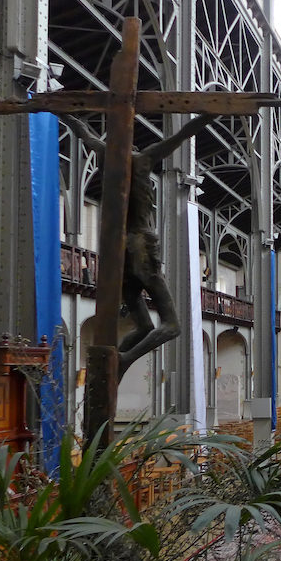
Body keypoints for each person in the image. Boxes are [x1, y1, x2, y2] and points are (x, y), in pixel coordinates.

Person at [60, 113, 218, 379]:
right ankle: (123, 359)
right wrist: (212, 113)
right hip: (142, 246)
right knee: (172, 325)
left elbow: (82, 130)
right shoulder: (144, 159)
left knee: (145, 326)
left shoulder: (105, 154)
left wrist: (59, 111)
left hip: (117, 251)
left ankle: (115, 366)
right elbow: (182, 134)